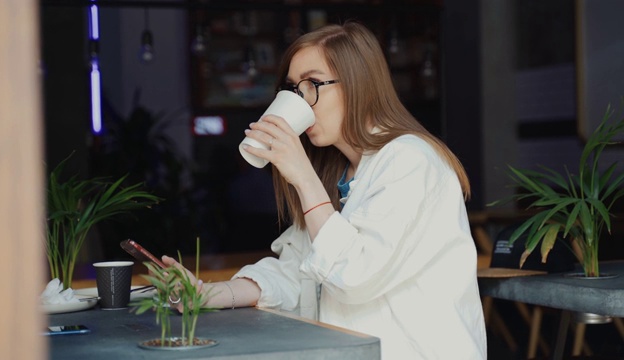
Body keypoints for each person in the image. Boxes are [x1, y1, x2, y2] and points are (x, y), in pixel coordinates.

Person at [163, 21, 487, 359]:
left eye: (314, 84)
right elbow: (298, 272)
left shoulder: (411, 160)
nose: (301, 100)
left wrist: (303, 177)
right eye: (293, 89)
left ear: (359, 85)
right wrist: (206, 294)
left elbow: (354, 275)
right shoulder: (339, 173)